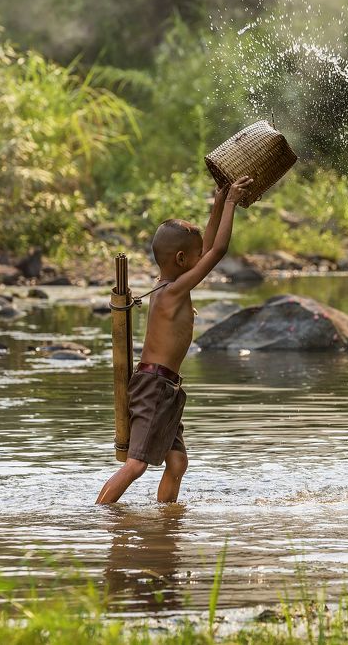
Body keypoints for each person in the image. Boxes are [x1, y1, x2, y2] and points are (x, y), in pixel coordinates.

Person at [96, 176, 254, 505]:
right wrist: (230, 205)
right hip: (154, 386)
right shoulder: (174, 291)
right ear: (182, 260)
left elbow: (208, 248)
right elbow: (219, 250)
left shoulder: (171, 283)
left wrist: (218, 200)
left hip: (166, 387)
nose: (203, 259)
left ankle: (166, 524)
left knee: (177, 463)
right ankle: (98, 517)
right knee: (136, 465)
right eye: (196, 257)